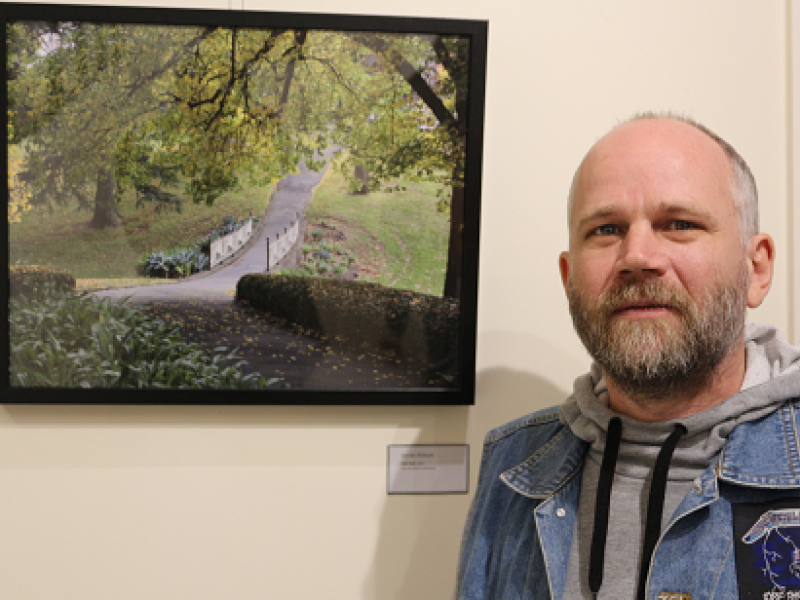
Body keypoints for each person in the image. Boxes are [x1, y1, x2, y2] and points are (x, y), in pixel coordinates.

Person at [456, 113, 800, 600]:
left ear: (756, 267)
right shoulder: (513, 467)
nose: (637, 256)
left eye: (679, 224)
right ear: (568, 276)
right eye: (605, 229)